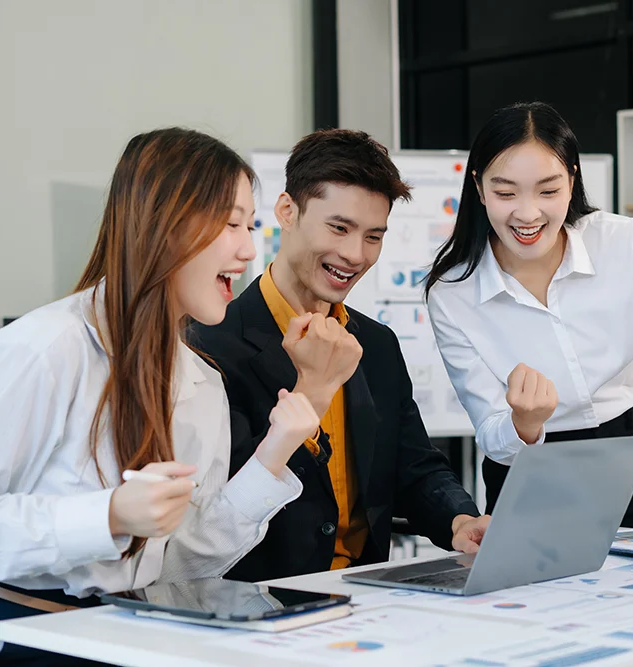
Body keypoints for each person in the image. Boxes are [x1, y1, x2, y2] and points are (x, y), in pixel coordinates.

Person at [0, 128, 322, 664]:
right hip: (15, 633)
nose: (249, 250)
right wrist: (107, 516)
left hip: (131, 630)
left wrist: (273, 457)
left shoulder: (201, 381)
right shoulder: (44, 348)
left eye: (249, 226)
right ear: (165, 222)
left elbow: (178, 566)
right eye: (231, 224)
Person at [424, 101, 633, 528]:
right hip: (526, 467)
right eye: (506, 192)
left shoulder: (623, 242)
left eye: (548, 191)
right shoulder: (453, 292)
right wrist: (523, 423)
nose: (528, 213)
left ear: (572, 180)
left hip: (624, 453)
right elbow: (493, 434)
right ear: (478, 188)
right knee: (531, 594)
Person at [191, 128, 489, 583]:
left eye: (373, 236)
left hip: (368, 595)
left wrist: (460, 521)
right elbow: (229, 501)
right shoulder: (210, 343)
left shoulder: (377, 344)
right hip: (261, 600)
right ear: (287, 211)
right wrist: (310, 394)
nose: (354, 254)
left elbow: (413, 465)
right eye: (339, 227)